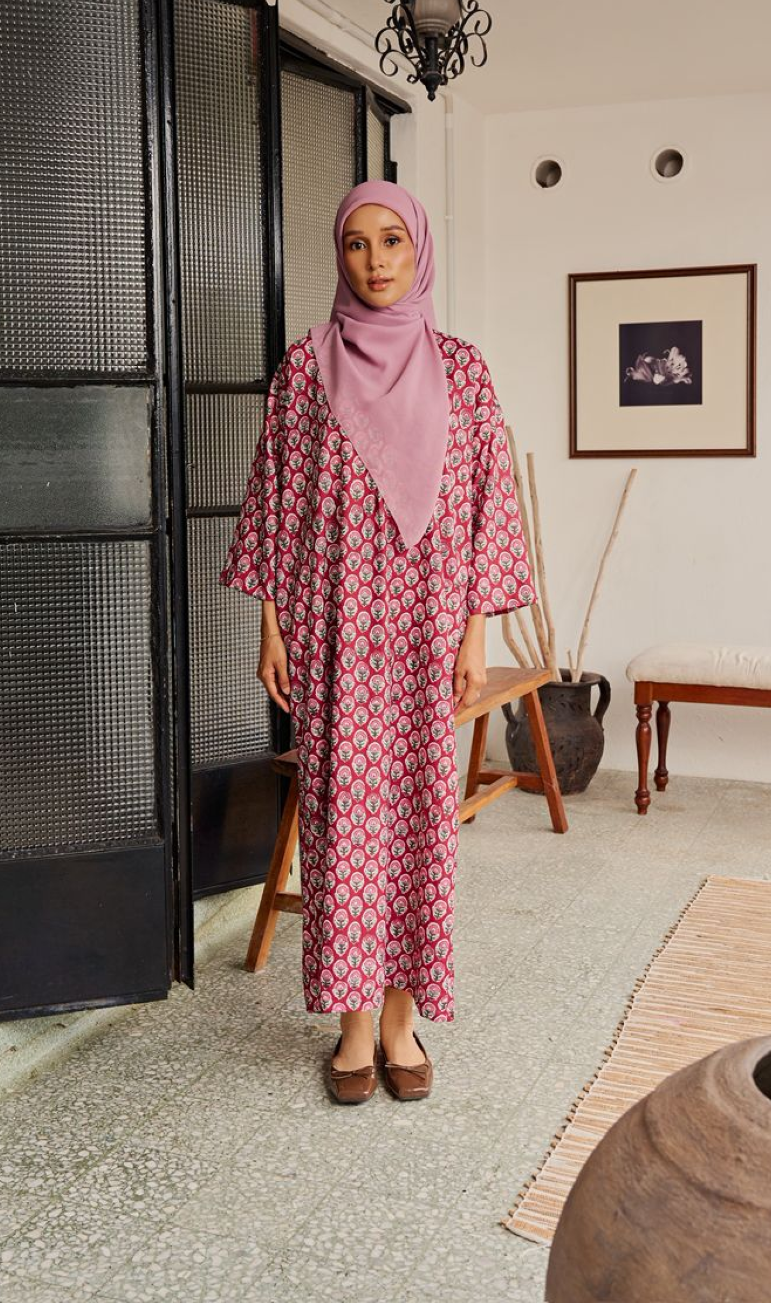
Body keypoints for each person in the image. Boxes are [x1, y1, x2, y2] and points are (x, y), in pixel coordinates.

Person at [219, 179, 537, 1104]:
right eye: (357, 243)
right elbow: (276, 497)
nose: (376, 260)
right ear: (339, 255)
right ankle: (354, 1027)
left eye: (393, 240)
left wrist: (475, 632)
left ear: (419, 248)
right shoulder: (304, 368)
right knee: (343, 820)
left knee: (420, 822)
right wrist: (272, 623)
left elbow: (487, 506)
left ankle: (403, 1021)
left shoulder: (462, 369)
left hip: (430, 626)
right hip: (333, 625)